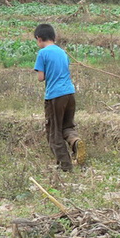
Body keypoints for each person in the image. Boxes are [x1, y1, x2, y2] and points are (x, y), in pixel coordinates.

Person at [34, 23, 86, 172]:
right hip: (70, 93)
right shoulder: (62, 52)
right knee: (67, 126)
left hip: (55, 96)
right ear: (54, 37)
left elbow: (40, 77)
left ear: (39, 38)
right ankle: (75, 142)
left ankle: (65, 166)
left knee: (54, 131)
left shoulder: (43, 53)